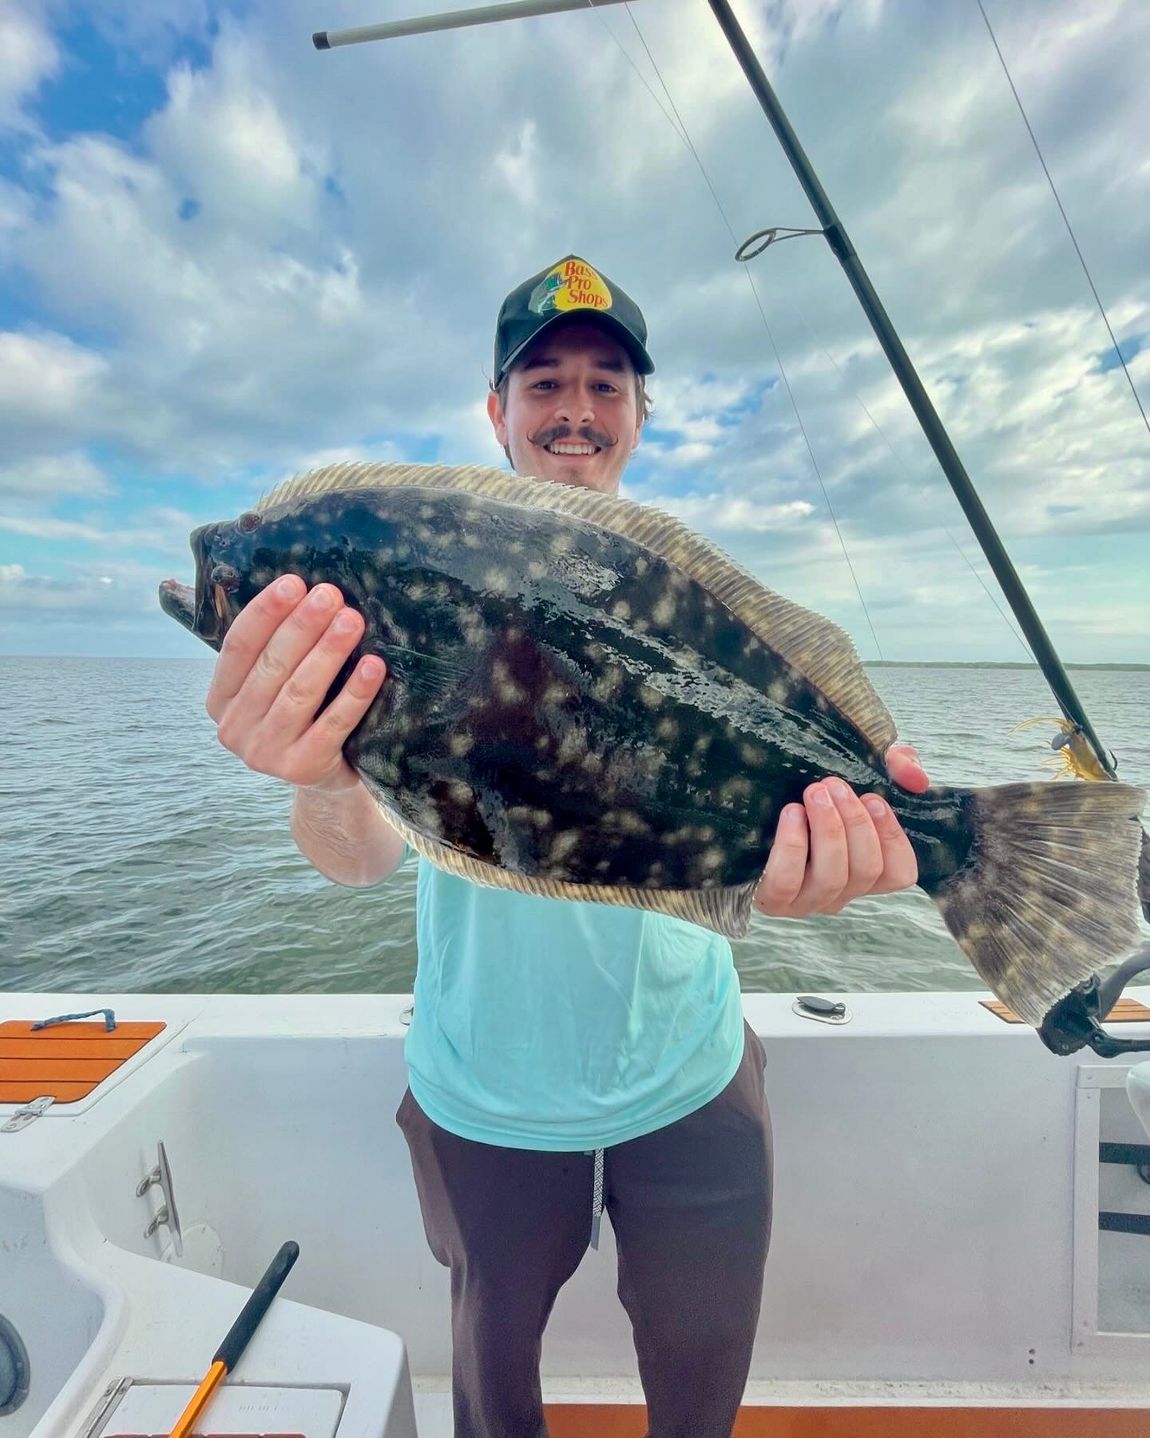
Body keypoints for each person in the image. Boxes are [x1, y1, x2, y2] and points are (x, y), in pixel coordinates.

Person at [204, 255, 929, 1438]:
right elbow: (356, 857)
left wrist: (823, 866)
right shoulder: (423, 582)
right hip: (484, 1084)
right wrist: (324, 771)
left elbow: (770, 829)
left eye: (605, 384)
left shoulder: (684, 602)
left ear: (640, 413)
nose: (576, 410)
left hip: (690, 1070)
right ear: (497, 412)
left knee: (700, 1380)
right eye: (544, 383)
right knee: (494, 1385)